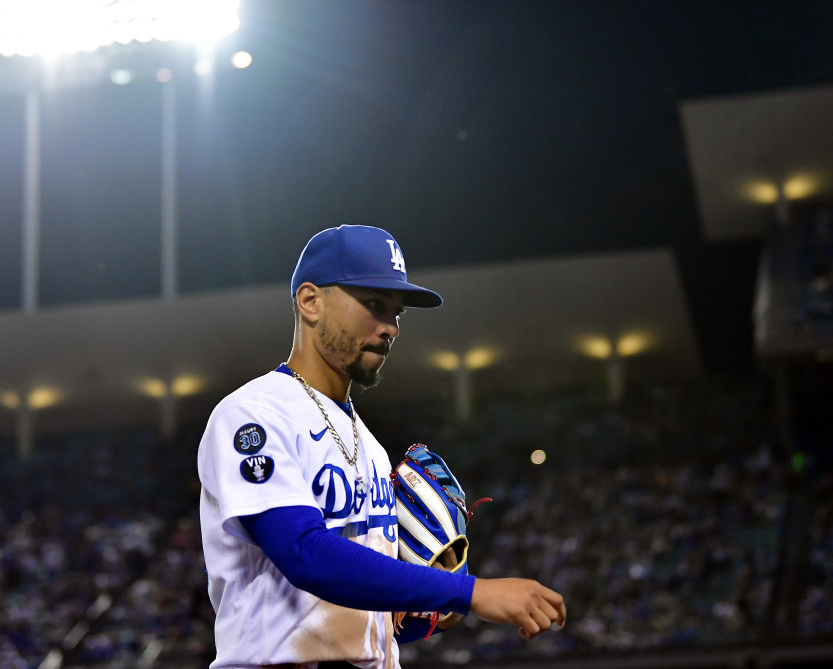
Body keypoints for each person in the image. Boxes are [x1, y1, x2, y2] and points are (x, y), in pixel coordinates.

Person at [197, 224, 566, 668]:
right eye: (374, 305)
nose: (390, 328)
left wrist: (435, 613)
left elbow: (363, 625)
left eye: (397, 313)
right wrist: (472, 593)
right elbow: (303, 554)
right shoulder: (254, 414)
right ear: (310, 302)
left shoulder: (368, 446)